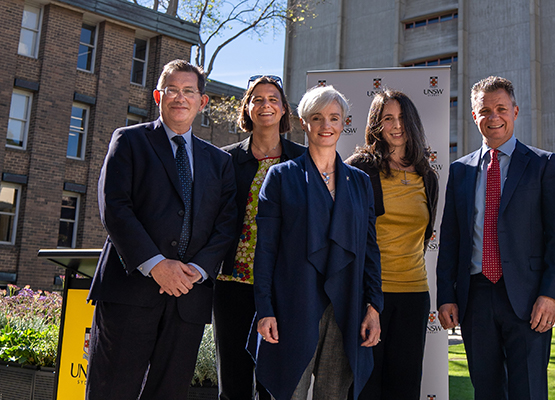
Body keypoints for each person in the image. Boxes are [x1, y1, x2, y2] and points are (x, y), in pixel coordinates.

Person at [86, 59, 237, 399]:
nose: (179, 98)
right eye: (171, 90)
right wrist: (156, 264)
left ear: (203, 101)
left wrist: (196, 271)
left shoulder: (220, 162)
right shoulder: (128, 141)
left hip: (189, 298)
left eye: (188, 91)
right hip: (130, 293)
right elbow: (115, 207)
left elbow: (226, 225)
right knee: (112, 391)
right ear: (158, 96)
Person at [436, 76, 555, 400]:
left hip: (528, 301)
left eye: (501, 109)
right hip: (475, 298)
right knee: (486, 391)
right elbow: (450, 239)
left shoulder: (543, 164)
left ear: (515, 111)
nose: (493, 117)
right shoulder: (460, 171)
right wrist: (445, 295)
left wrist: (551, 295)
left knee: (529, 391)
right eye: (485, 111)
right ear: (474, 116)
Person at [251, 85, 383, 400]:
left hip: (346, 306)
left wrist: (374, 306)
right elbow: (266, 249)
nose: (326, 126)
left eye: (334, 118)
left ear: (344, 123)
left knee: (334, 394)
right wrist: (265, 309)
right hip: (293, 305)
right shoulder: (281, 177)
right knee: (290, 393)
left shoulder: (360, 182)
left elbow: (370, 252)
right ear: (302, 122)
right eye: (317, 117)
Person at [214, 75, 305, 400]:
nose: (265, 105)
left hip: (282, 287)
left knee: (272, 383)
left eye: (272, 99)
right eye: (257, 99)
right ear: (247, 108)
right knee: (234, 381)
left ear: (283, 110)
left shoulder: (302, 161)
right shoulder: (224, 160)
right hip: (232, 283)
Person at [346, 90, 438, 400]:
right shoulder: (360, 168)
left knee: (406, 388)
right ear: (376, 124)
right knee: (366, 388)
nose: (396, 126)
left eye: (401, 118)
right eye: (388, 118)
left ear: (412, 123)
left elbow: (424, 236)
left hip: (414, 295)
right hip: (369, 297)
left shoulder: (428, 176)